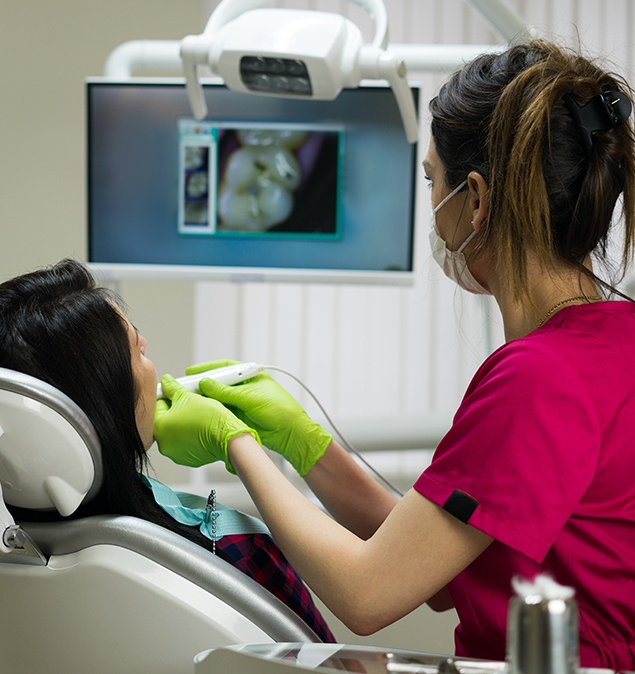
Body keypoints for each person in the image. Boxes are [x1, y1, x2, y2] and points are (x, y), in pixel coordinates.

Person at [153, 39, 635, 670]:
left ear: (477, 200)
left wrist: (236, 443)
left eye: (432, 182)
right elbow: (429, 568)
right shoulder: (611, 344)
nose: (432, 209)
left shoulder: (538, 379)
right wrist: (304, 443)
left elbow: (367, 592)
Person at [0, 259, 335, 643]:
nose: (145, 343)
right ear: (106, 406)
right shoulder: (235, 552)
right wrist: (238, 440)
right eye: (134, 349)